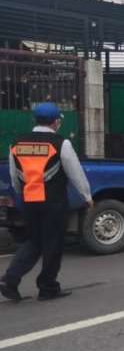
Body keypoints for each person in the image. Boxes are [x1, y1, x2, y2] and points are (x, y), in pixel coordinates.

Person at [0, 103, 92, 302]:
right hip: (53, 202)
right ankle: (47, 287)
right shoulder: (61, 143)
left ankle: (10, 280)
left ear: (35, 120)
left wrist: (20, 193)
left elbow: (15, 175)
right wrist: (87, 195)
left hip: (29, 200)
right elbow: (75, 172)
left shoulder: (16, 143)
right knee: (53, 243)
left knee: (33, 240)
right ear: (56, 122)